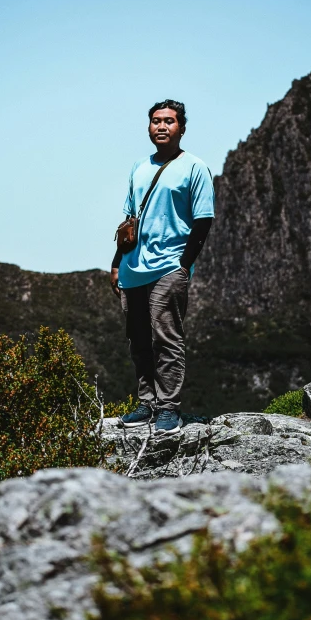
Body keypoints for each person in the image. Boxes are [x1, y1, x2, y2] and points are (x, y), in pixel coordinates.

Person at [111, 99, 214, 434]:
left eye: (169, 121)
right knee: (138, 339)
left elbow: (203, 221)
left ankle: (168, 408)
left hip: (169, 267)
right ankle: (147, 403)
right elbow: (129, 220)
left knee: (166, 339)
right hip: (132, 268)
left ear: (181, 128)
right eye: (156, 121)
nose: (161, 126)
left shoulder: (195, 168)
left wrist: (184, 265)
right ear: (148, 126)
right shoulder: (139, 168)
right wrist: (116, 264)